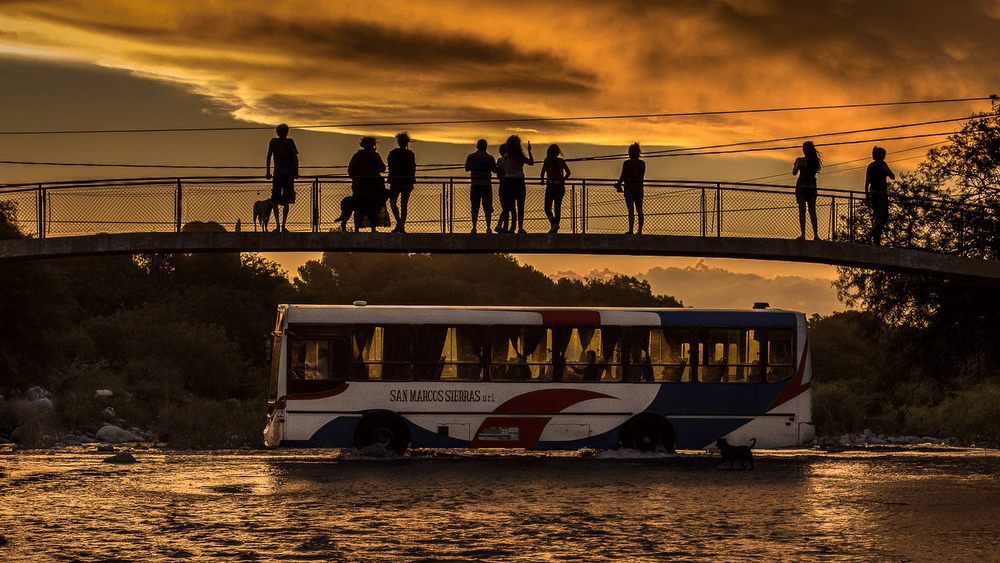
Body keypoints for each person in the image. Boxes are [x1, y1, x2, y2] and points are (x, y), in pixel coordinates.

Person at [347, 136, 387, 232]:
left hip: (360, 186)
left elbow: (350, 171)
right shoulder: (375, 156)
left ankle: (357, 228)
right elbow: (383, 168)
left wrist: (357, 179)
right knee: (374, 207)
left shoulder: (357, 156)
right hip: (374, 187)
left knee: (358, 207)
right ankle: (373, 228)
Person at [265, 123, 299, 232]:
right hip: (288, 176)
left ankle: (278, 225)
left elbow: (269, 156)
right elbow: (295, 158)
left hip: (278, 175)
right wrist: (296, 172)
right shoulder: (290, 142)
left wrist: (268, 172)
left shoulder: (274, 142)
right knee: (287, 201)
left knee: (275, 200)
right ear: (287, 132)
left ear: (277, 132)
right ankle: (283, 226)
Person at [864, 145, 896, 245]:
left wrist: (867, 197)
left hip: (872, 194)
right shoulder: (882, 164)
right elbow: (892, 176)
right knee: (884, 216)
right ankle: (871, 234)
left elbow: (867, 183)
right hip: (881, 195)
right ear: (881, 155)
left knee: (877, 217)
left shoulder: (870, 166)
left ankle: (876, 241)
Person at [465, 139, 498, 233]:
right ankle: (488, 227)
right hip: (486, 185)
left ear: (477, 146)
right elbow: (494, 170)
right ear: (486, 147)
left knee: (475, 207)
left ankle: (474, 227)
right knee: (487, 207)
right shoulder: (490, 158)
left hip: (475, 185)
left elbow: (467, 168)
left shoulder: (471, 157)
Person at [503, 135, 534, 233]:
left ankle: (512, 227)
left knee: (511, 206)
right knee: (520, 205)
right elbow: (531, 162)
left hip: (508, 181)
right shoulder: (520, 156)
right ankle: (520, 227)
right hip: (519, 181)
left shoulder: (506, 155)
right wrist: (529, 150)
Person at [792, 141, 822, 240]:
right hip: (812, 187)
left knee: (802, 211)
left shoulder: (801, 160)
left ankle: (803, 234)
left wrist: (797, 164)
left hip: (802, 187)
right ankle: (816, 235)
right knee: (812, 211)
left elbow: (794, 172)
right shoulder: (815, 161)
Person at [387, 132, 416, 233]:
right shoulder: (410, 154)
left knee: (393, 203)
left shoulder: (393, 153)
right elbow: (413, 168)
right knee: (404, 205)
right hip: (407, 182)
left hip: (395, 181)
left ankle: (399, 223)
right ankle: (401, 225)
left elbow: (389, 163)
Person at [614, 142, 646, 234]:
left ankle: (631, 230)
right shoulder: (642, 164)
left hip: (629, 188)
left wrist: (618, 184)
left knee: (631, 210)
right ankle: (639, 231)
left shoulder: (627, 163)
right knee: (639, 210)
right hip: (639, 188)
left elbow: (623, 176)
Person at [540, 144, 571, 233]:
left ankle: (554, 224)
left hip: (551, 186)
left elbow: (542, 173)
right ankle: (555, 226)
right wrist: (563, 179)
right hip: (560, 187)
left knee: (547, 208)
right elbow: (568, 172)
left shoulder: (547, 160)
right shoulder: (561, 161)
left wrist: (542, 181)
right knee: (557, 207)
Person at [495, 144, 512, 233]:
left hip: (502, 184)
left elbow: (497, 172)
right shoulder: (511, 160)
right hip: (510, 185)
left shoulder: (500, 160)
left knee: (505, 207)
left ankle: (501, 225)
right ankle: (504, 226)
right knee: (508, 207)